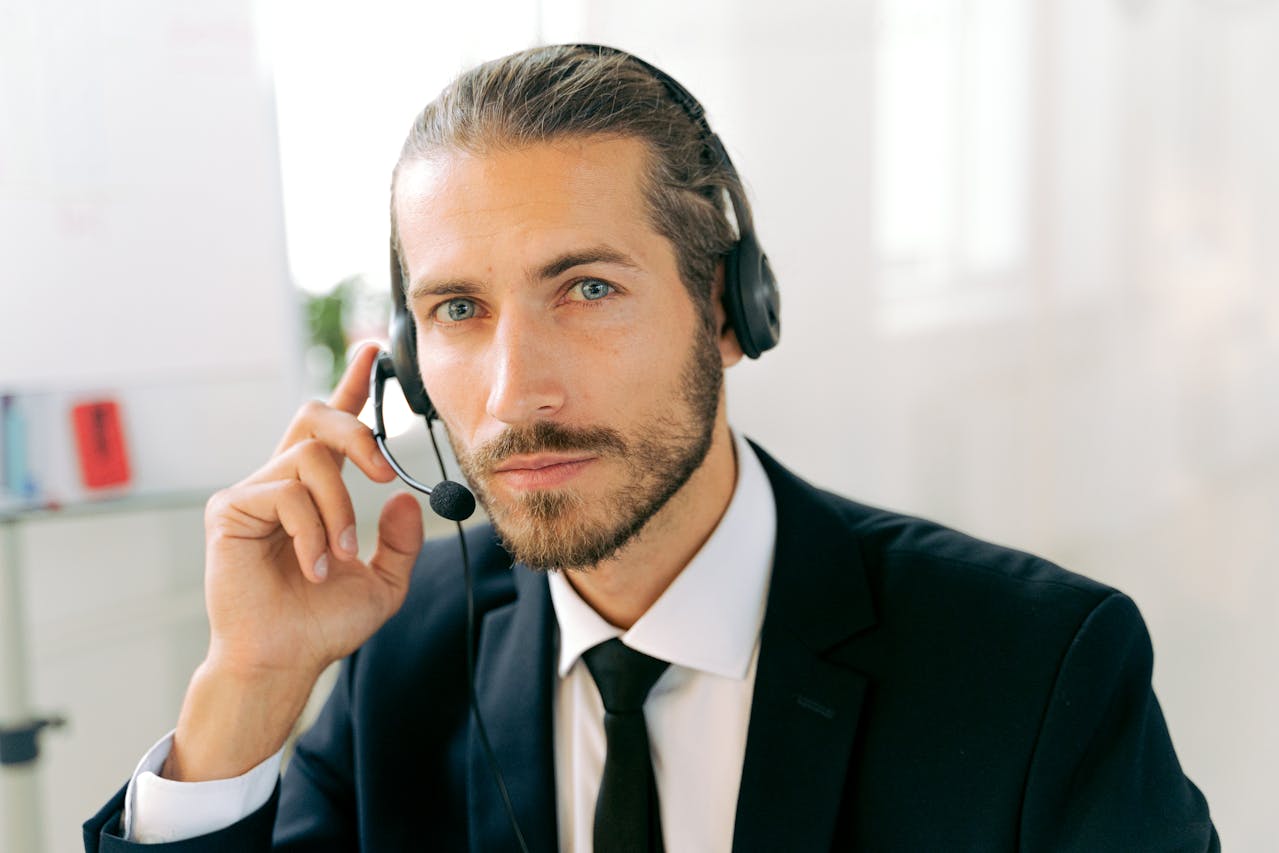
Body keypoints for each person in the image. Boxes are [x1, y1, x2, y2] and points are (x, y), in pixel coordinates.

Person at [83, 44, 1217, 852]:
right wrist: (248, 684)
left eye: (585, 288)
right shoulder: (398, 660)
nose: (515, 393)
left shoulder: (1035, 667)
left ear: (729, 312)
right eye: (461, 311)